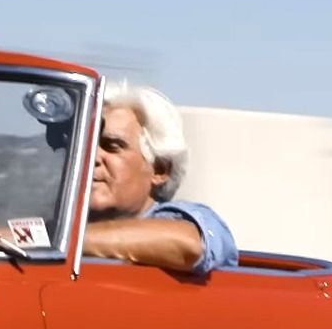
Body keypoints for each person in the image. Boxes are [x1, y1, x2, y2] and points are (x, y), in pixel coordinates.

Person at [80, 83, 238, 273]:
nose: (92, 156)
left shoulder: (186, 220)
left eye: (112, 146)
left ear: (159, 170)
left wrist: (68, 242)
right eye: (84, 143)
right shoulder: (55, 222)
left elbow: (188, 245)